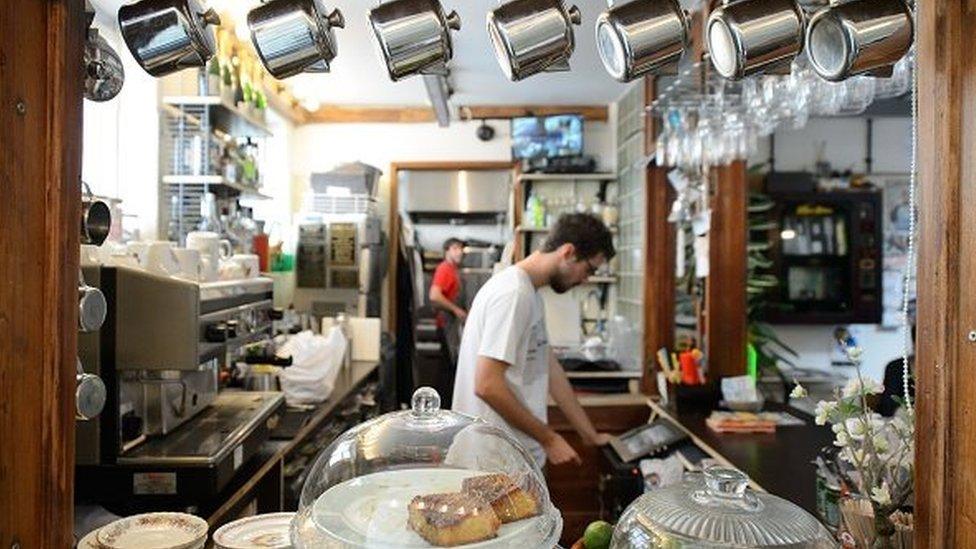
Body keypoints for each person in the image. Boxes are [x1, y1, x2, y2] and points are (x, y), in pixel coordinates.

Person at [452, 213, 615, 468]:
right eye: (589, 269)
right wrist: (549, 439)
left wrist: (589, 434)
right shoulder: (514, 294)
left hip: (512, 455)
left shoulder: (531, 294)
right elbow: (486, 384)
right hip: (492, 460)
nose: (586, 279)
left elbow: (550, 369)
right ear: (568, 252)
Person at [429, 238, 467, 406]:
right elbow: (434, 295)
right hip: (445, 326)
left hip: (451, 326)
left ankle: (445, 408)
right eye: (455, 248)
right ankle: (442, 409)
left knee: (449, 369)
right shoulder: (445, 269)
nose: (459, 251)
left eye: (461, 248)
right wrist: (455, 309)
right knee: (446, 371)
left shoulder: (454, 270)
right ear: (447, 251)